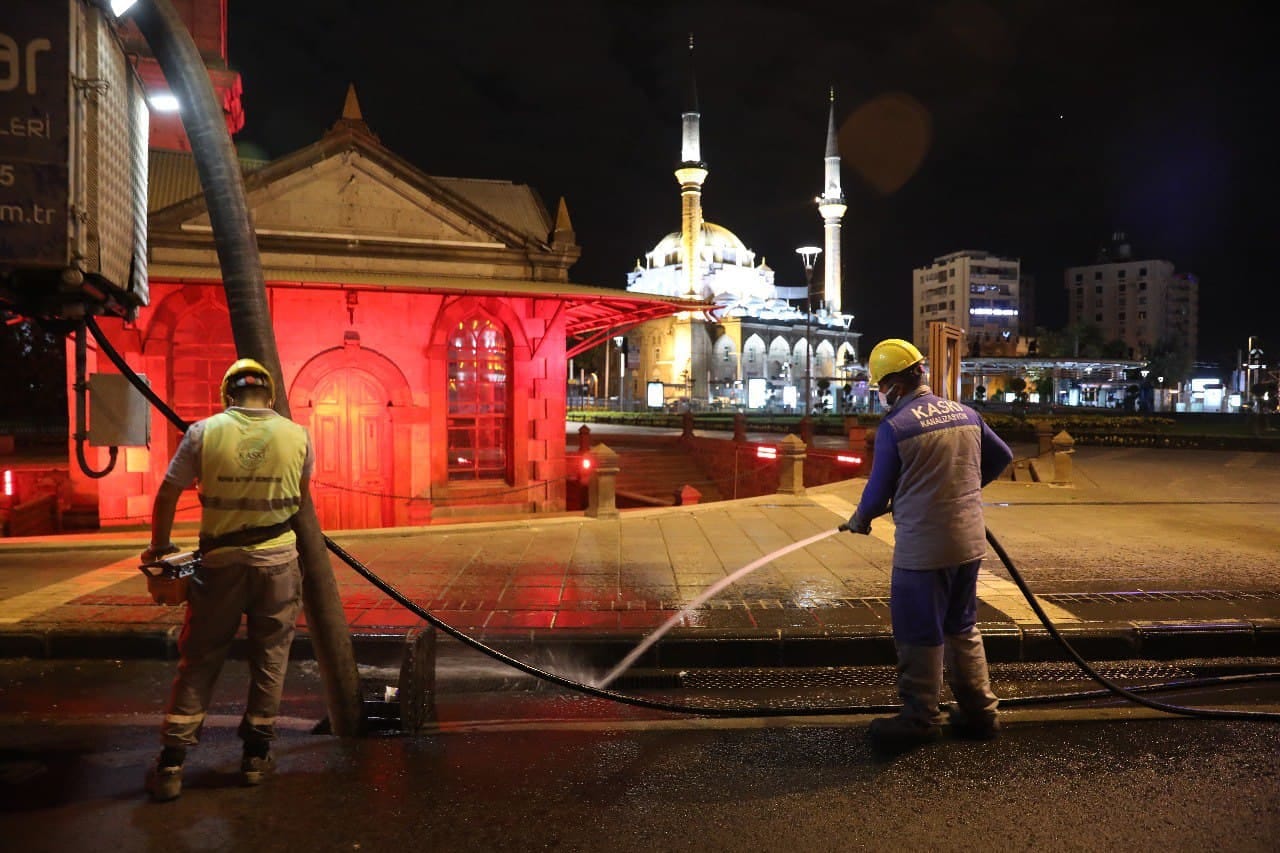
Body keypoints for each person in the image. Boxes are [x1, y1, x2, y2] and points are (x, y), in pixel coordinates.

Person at [142, 358, 313, 801]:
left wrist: (160, 550)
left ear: (227, 395)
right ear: (270, 395)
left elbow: (166, 493)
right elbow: (300, 497)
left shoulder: (203, 432)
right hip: (277, 562)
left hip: (218, 565)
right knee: (271, 657)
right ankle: (255, 756)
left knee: (200, 657)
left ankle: (172, 764)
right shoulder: (297, 435)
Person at [844, 339, 1013, 745]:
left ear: (895, 385)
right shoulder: (966, 414)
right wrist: (964, 487)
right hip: (969, 544)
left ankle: (919, 718)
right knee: (962, 625)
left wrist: (860, 519)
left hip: (924, 551)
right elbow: (1002, 456)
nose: (881, 395)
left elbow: (876, 492)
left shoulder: (896, 428)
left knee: (918, 630)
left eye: (881, 386)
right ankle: (980, 713)